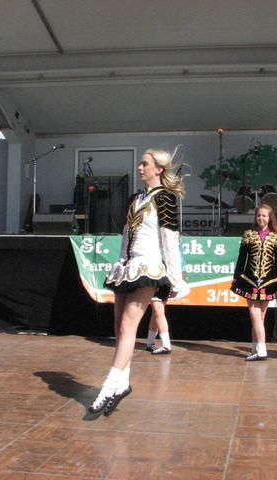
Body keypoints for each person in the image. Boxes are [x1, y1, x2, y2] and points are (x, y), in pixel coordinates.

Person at [88, 147, 187, 416]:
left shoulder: (165, 198)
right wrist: (121, 263)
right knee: (120, 327)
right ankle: (122, 382)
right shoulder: (135, 198)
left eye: (145, 164)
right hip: (128, 267)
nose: (140, 168)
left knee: (129, 324)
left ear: (159, 169)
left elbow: (170, 239)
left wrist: (175, 277)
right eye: (140, 164)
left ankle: (109, 385)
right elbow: (125, 235)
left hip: (149, 266)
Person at [231, 204, 277, 361]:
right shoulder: (248, 234)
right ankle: (260, 349)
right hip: (250, 278)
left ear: (270, 218)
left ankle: (257, 348)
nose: (261, 218)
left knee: (261, 316)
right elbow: (242, 258)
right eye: (259, 215)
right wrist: (236, 276)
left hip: (269, 279)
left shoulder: (276, 237)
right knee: (254, 314)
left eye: (264, 215)